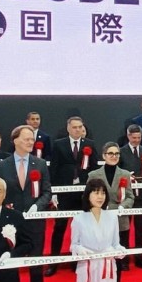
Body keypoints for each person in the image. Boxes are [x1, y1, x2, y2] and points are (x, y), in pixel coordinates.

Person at [0, 125, 52, 282]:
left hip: (35, 223)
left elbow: (47, 192)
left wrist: (38, 206)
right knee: (10, 265)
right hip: (11, 225)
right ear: (15, 140)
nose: (31, 142)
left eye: (32, 139)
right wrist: (6, 208)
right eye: (27, 139)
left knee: (36, 267)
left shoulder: (40, 164)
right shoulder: (2, 166)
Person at [47, 116, 98, 273]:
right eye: (74, 127)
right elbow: (54, 169)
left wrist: (93, 191)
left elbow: (94, 169)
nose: (77, 130)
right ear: (68, 128)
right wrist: (54, 192)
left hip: (83, 192)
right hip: (64, 191)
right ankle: (53, 262)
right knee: (60, 226)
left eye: (80, 127)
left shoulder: (90, 144)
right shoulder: (58, 144)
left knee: (82, 228)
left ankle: (79, 260)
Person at [87, 142, 135, 272]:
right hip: (100, 219)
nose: (114, 156)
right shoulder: (93, 175)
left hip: (120, 218)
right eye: (111, 153)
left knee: (119, 254)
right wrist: (99, 206)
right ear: (104, 155)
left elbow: (130, 196)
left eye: (117, 154)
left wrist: (123, 206)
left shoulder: (125, 174)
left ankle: (120, 269)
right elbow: (87, 197)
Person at [119, 124, 142, 268]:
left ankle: (139, 258)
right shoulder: (120, 152)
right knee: (125, 229)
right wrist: (127, 176)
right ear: (128, 136)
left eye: (139, 137)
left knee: (140, 229)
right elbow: (117, 171)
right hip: (126, 195)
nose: (136, 140)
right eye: (134, 138)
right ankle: (124, 260)